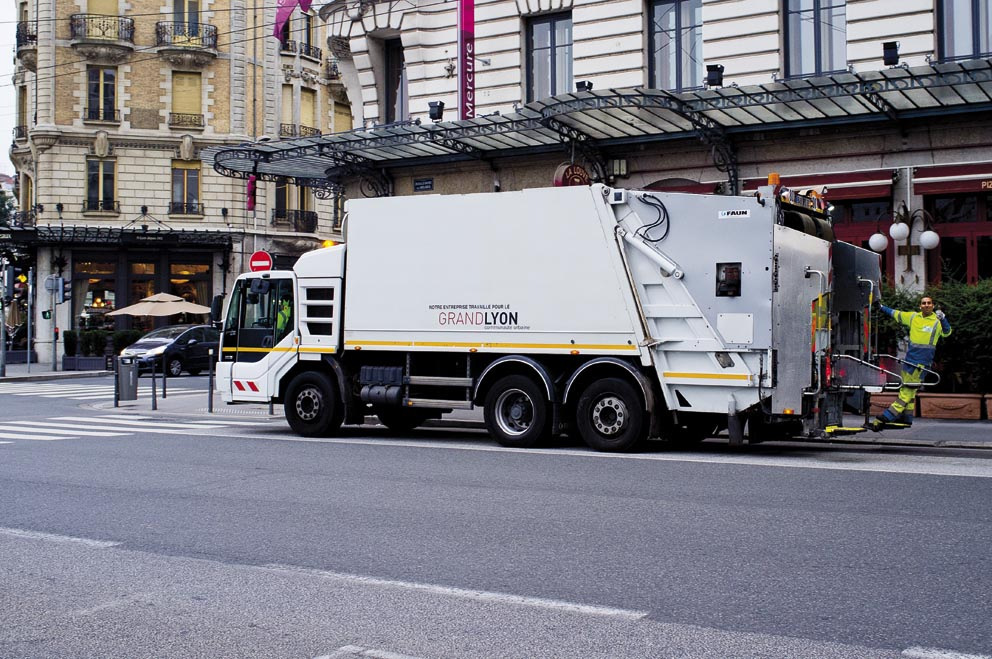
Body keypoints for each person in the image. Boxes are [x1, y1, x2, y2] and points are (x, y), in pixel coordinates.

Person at [872, 296, 951, 430]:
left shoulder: (937, 322)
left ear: (933, 305)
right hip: (910, 361)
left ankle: (889, 415)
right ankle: (907, 417)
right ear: (920, 306)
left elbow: (947, 333)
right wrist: (881, 308)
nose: (926, 305)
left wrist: (943, 319)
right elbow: (896, 313)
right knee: (908, 390)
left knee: (907, 390)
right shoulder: (914, 317)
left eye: (929, 303)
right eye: (923, 303)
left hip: (921, 363)